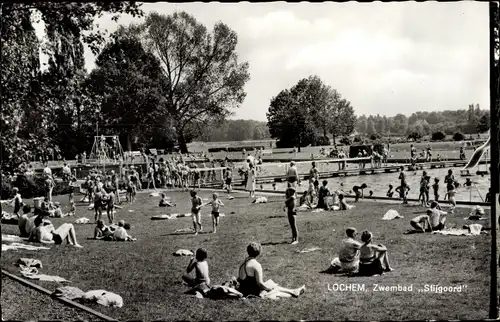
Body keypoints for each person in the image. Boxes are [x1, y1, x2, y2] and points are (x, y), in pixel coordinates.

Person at [237, 242, 305, 298]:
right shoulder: (256, 265)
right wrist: (268, 288)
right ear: (258, 253)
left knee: (272, 286)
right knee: (273, 289)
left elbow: (240, 278)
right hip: (251, 291)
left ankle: (294, 291)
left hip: (243, 289)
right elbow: (259, 283)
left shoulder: (243, 262)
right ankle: (293, 293)